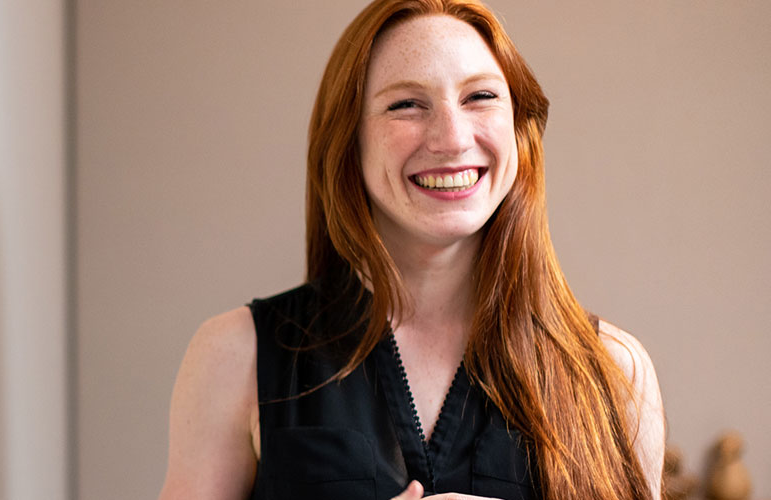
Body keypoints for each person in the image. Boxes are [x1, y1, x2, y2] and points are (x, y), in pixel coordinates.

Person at [157, 1, 664, 499]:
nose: (451, 137)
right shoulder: (235, 356)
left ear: (519, 128)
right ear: (348, 142)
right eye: (406, 104)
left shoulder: (615, 372)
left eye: (480, 97)